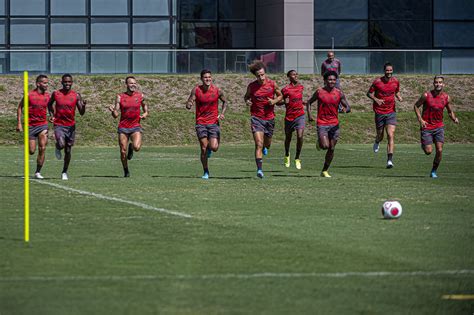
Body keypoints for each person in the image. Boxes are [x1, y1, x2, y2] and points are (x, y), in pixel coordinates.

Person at [306, 71, 350, 178]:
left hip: (334, 124)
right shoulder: (319, 92)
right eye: (330, 79)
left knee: (332, 148)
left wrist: (345, 110)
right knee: (325, 146)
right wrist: (309, 115)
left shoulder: (339, 93)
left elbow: (348, 107)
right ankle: (319, 142)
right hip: (322, 123)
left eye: (334, 80)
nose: (332, 81)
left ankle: (325, 170)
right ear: (325, 81)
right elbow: (308, 102)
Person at [414, 76, 459, 178]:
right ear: (433, 84)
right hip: (427, 127)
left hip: (439, 127)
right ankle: (424, 144)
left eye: (440, 82)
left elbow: (449, 111)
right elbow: (416, 106)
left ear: (443, 84)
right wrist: (420, 120)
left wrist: (454, 118)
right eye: (436, 82)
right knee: (428, 151)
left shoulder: (446, 97)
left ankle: (434, 171)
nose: (438, 84)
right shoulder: (426, 95)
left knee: (439, 150)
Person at [186, 69, 227, 179]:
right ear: (201, 79)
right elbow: (190, 100)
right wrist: (189, 104)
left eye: (209, 77)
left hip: (213, 123)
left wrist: (222, 113)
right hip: (201, 123)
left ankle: (215, 141)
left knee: (214, 148)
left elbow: (225, 102)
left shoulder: (217, 90)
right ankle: (206, 172)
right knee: (204, 147)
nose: (207, 79)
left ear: (211, 78)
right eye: (205, 77)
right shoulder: (196, 90)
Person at [244, 60, 282, 178]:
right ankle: (259, 170)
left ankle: (266, 147)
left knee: (267, 144)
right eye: (258, 76)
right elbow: (246, 97)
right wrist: (247, 101)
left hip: (269, 119)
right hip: (256, 118)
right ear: (255, 76)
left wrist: (274, 101)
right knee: (258, 144)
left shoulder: (272, 84)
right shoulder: (252, 86)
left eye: (262, 74)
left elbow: (280, 95)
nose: (261, 77)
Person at [47, 74, 86, 180]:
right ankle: (58, 146)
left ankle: (64, 172)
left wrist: (84, 106)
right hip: (59, 124)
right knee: (61, 144)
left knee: (68, 150)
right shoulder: (56, 94)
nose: (67, 84)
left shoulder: (76, 95)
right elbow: (49, 104)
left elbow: (81, 112)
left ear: (72, 83)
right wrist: (51, 115)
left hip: (71, 126)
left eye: (69, 82)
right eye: (65, 82)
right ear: (62, 82)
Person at [108, 76, 148, 177]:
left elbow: (144, 106)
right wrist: (113, 111)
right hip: (123, 127)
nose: (133, 85)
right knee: (122, 151)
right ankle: (126, 170)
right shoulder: (120, 97)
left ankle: (131, 147)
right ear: (126, 84)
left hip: (135, 126)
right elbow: (116, 115)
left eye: (134, 83)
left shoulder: (140, 96)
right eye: (131, 83)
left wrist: (145, 113)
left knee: (137, 147)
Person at [366, 62, 402, 169]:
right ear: (384, 71)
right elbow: (368, 93)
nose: (389, 72)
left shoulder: (396, 81)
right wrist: (376, 99)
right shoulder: (377, 82)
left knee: (390, 135)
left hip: (391, 112)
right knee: (380, 135)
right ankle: (377, 141)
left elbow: (397, 91)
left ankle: (389, 160)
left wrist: (399, 97)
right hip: (379, 112)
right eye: (387, 70)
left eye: (391, 70)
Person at [16, 75, 50, 179]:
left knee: (42, 148)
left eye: (47, 83)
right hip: (30, 126)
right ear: (38, 83)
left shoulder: (48, 96)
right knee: (31, 151)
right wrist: (19, 123)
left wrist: (52, 116)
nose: (46, 85)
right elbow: (20, 107)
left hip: (43, 125)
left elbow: (51, 108)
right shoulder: (29, 95)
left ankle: (38, 172)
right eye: (44, 83)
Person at [280, 70, 305, 170]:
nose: (295, 76)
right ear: (289, 77)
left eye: (296, 74)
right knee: (288, 138)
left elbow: (297, 99)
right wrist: (283, 102)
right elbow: (278, 101)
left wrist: (304, 102)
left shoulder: (301, 87)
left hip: (300, 115)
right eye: (293, 75)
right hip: (289, 117)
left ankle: (297, 158)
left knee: (300, 136)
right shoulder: (285, 89)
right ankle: (287, 154)